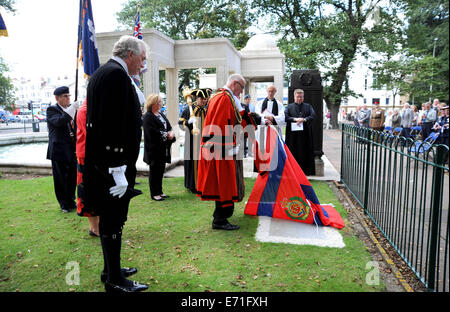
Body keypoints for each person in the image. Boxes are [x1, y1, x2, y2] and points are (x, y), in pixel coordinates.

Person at [83, 35, 148, 292]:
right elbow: (111, 126)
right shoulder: (115, 76)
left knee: (111, 220)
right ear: (130, 54)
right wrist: (118, 168)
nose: (142, 65)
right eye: (142, 59)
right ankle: (114, 280)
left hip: (106, 163)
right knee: (113, 220)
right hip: (111, 166)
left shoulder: (105, 72)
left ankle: (110, 269)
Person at [197, 74, 259, 231]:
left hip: (224, 148)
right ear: (235, 84)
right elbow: (221, 124)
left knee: (223, 184)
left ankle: (221, 216)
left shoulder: (226, 97)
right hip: (222, 149)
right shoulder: (223, 98)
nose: (242, 91)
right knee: (223, 184)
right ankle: (220, 219)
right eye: (242, 87)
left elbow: (238, 118)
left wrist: (259, 121)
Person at [46, 86, 78, 213]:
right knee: (60, 178)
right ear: (57, 98)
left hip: (71, 148)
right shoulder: (52, 110)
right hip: (59, 149)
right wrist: (71, 110)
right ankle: (63, 203)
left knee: (72, 177)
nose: (68, 98)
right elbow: (59, 122)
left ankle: (71, 200)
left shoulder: (70, 110)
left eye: (68, 96)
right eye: (65, 96)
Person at [143, 94, 176, 201]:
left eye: (160, 102)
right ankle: (154, 193)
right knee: (154, 171)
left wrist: (171, 132)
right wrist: (166, 135)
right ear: (151, 104)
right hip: (153, 149)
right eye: (158, 102)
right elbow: (151, 132)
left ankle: (160, 191)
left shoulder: (161, 114)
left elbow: (168, 126)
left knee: (160, 171)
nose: (160, 104)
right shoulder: (148, 116)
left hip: (162, 148)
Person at [178, 88, 210, 193]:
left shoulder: (206, 110)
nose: (204, 101)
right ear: (197, 98)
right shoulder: (189, 109)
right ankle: (192, 185)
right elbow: (180, 123)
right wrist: (188, 124)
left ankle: (203, 183)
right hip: (192, 141)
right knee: (193, 163)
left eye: (206, 99)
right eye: (202, 99)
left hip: (204, 141)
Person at [76, 99, 99, 237]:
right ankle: (94, 228)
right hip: (86, 157)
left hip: (95, 156)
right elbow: (93, 134)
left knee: (97, 192)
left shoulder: (93, 108)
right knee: (88, 193)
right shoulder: (84, 110)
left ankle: (98, 226)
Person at [285, 88, 316, 176]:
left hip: (305, 135)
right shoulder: (289, 107)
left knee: (305, 152)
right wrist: (295, 119)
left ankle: (305, 172)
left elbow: (313, 115)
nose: (299, 99)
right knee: (293, 152)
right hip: (293, 136)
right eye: (298, 97)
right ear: (294, 97)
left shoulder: (308, 106)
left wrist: (304, 119)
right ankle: (292, 172)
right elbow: (286, 117)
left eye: (301, 97)